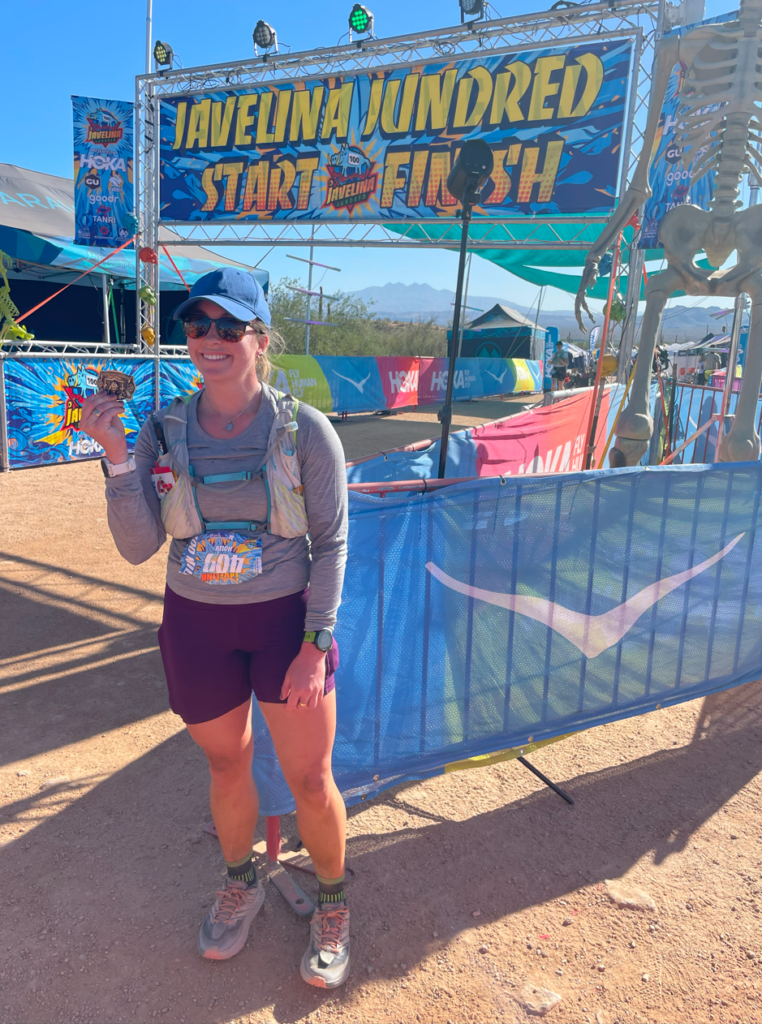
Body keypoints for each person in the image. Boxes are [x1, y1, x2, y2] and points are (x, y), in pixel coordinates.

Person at [79, 268, 351, 989]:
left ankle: (332, 902)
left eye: (231, 328)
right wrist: (113, 459)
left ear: (261, 339)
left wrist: (315, 643)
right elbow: (139, 546)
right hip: (196, 624)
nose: (212, 340)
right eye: (199, 326)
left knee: (309, 777)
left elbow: (332, 543)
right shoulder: (162, 429)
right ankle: (242, 882)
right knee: (226, 764)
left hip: (283, 625)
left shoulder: (304, 430)